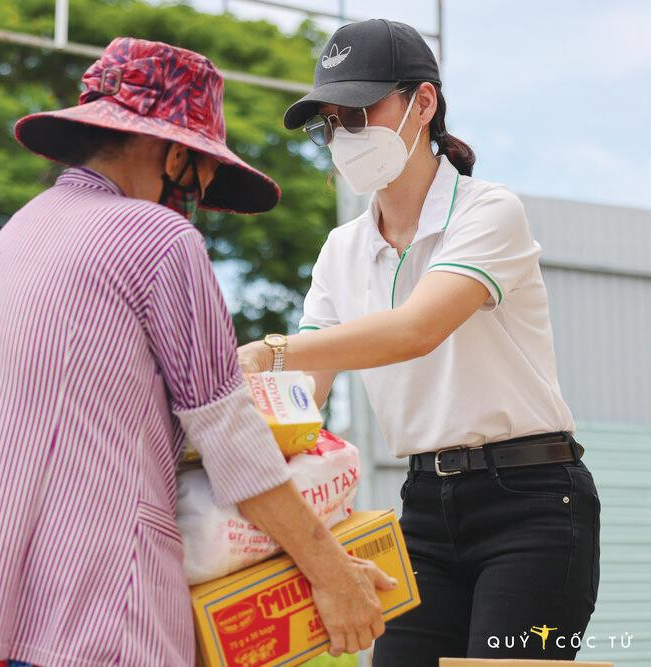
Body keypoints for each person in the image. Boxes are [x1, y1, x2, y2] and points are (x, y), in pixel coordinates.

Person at [0, 37, 396, 667]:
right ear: (176, 153)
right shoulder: (159, 237)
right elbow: (230, 437)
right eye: (202, 175)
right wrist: (332, 573)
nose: (198, 198)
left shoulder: (14, 237)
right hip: (91, 617)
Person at [239, 19, 601, 665]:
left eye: (359, 113)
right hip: (423, 509)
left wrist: (271, 351)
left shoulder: (488, 211)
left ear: (424, 102)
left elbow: (415, 330)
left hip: (533, 503)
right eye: (330, 123)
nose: (343, 136)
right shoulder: (341, 249)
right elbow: (303, 397)